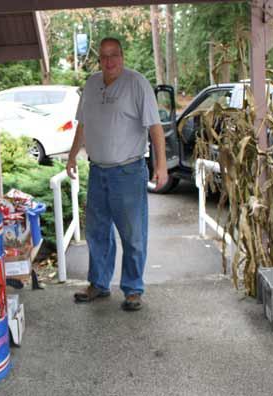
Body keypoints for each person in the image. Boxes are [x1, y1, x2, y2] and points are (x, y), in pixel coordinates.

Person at [66, 37, 168, 311]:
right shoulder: (91, 84)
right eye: (104, 56)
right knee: (97, 232)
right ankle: (99, 284)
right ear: (99, 59)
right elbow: (83, 123)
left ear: (122, 56)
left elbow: (155, 128)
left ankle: (133, 289)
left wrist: (161, 166)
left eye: (114, 55)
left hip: (128, 172)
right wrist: (72, 154)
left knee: (133, 234)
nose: (109, 61)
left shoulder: (137, 84)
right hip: (98, 171)